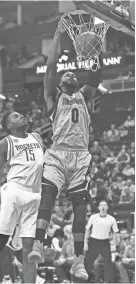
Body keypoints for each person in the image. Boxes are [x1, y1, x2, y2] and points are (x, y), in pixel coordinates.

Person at [28, 20, 103, 280]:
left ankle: (78, 262)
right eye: (66, 74)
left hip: (81, 155)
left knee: (80, 207)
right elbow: (50, 67)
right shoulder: (53, 99)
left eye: (73, 73)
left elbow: (96, 73)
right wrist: (58, 35)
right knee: (47, 196)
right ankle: (38, 244)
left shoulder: (85, 95)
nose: (70, 74)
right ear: (60, 84)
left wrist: (95, 48)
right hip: (58, 153)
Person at [0, 110, 44, 283]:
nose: (22, 116)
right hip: (14, 192)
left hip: (35, 194)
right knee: (2, 238)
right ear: (9, 126)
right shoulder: (6, 142)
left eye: (21, 114)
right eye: (16, 116)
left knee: (29, 249)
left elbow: (47, 161)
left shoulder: (37, 138)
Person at [84, 200, 118, 283]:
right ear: (99, 207)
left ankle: (107, 281)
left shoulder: (112, 219)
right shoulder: (93, 217)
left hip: (105, 242)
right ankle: (86, 280)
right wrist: (85, 242)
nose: (103, 207)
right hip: (93, 241)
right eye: (101, 205)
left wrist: (114, 244)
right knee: (88, 261)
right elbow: (87, 230)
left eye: (105, 205)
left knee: (108, 263)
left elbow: (115, 233)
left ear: (107, 207)